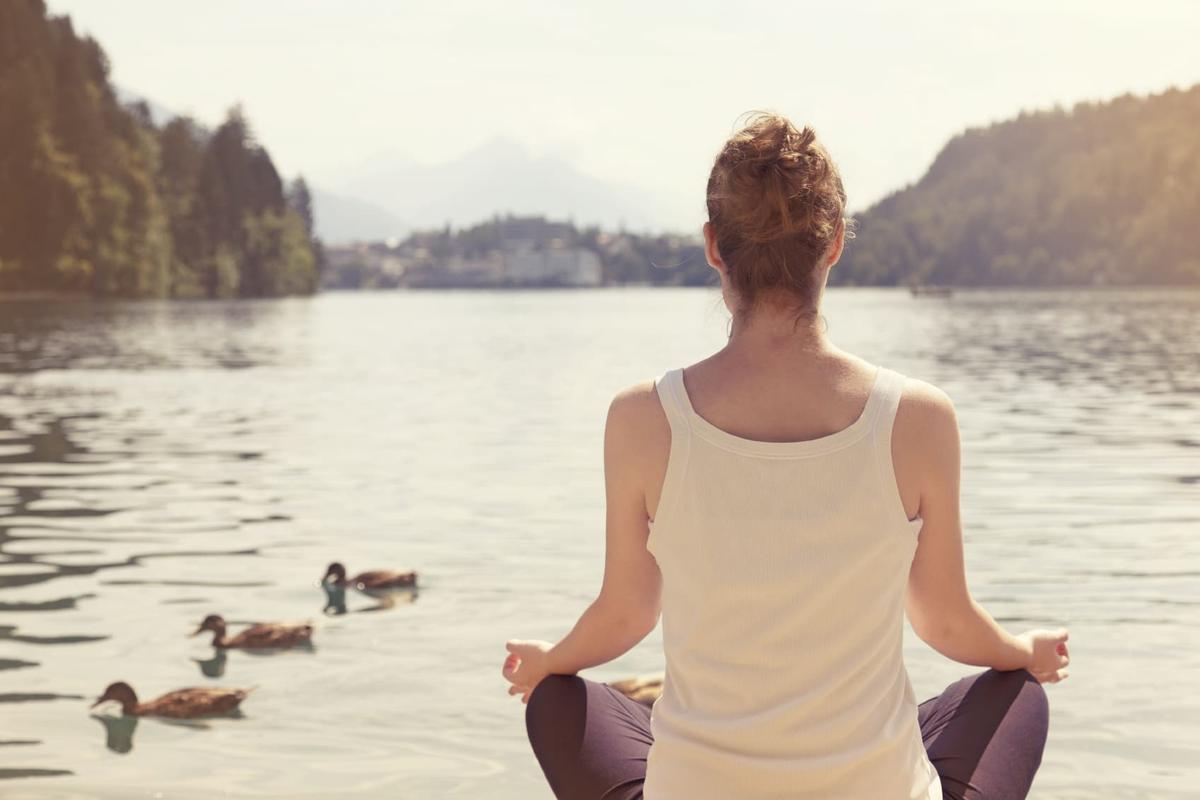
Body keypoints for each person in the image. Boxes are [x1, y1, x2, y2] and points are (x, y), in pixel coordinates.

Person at [500, 113, 1070, 800]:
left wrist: (547, 662)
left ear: (714, 248)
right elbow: (945, 621)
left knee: (557, 699)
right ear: (832, 247)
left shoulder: (640, 418)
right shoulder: (920, 418)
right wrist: (1025, 653)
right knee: (1015, 692)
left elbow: (626, 614)